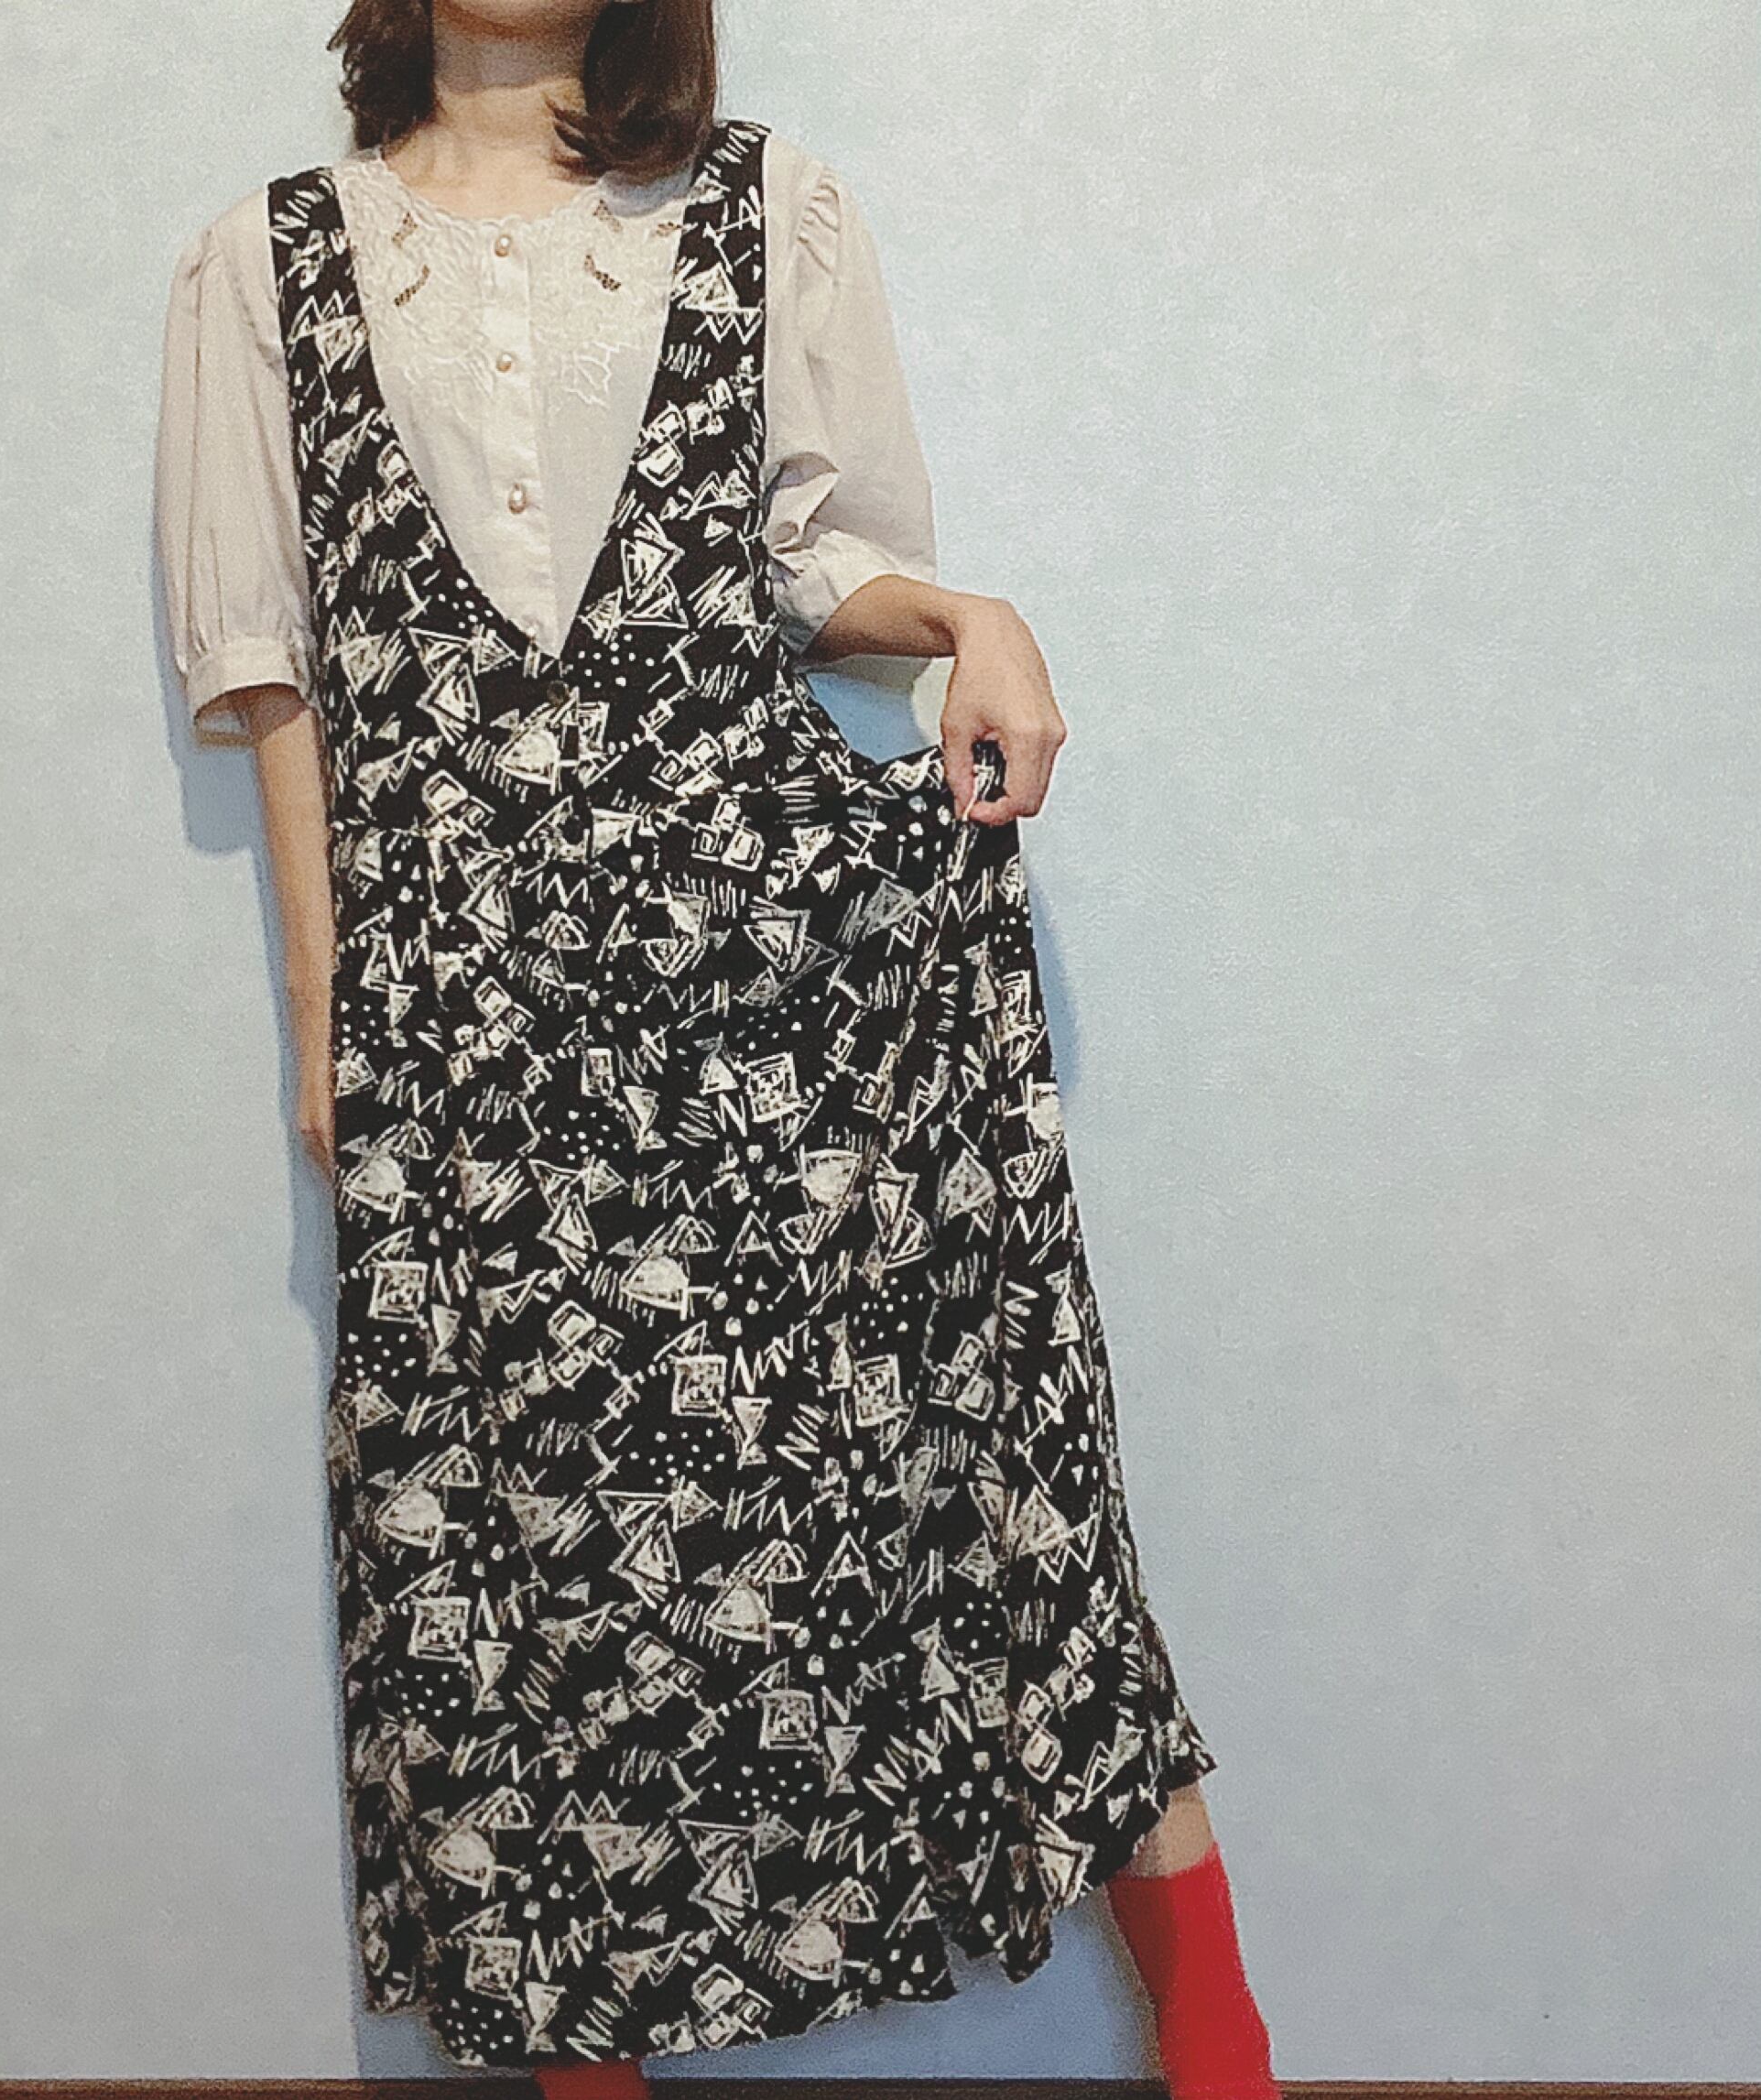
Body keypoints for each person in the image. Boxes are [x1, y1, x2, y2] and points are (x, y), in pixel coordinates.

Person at [155, 5, 1279, 2095]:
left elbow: (816, 564)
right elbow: (276, 674)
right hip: (470, 1007)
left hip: (774, 988)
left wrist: (972, 619)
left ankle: (1222, 2036)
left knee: (985, 1443)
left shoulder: (769, 207)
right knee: (515, 1551)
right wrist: (327, 1010)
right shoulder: (263, 261)